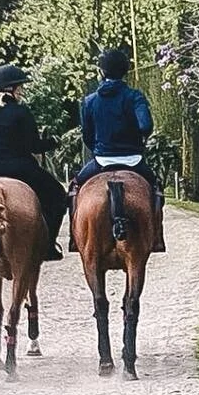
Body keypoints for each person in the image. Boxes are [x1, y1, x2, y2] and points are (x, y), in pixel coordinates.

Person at [0, 64, 68, 261]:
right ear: (12, 89)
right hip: (19, 166)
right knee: (58, 195)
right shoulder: (21, 112)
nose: (22, 91)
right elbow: (33, 146)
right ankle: (49, 245)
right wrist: (53, 142)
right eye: (20, 87)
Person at [72, 48, 166, 252]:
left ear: (102, 72)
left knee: (75, 187)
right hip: (133, 160)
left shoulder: (89, 101)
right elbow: (146, 126)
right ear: (125, 72)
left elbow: (87, 135)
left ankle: (75, 238)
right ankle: (157, 237)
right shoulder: (134, 97)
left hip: (102, 160)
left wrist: (99, 147)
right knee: (156, 189)